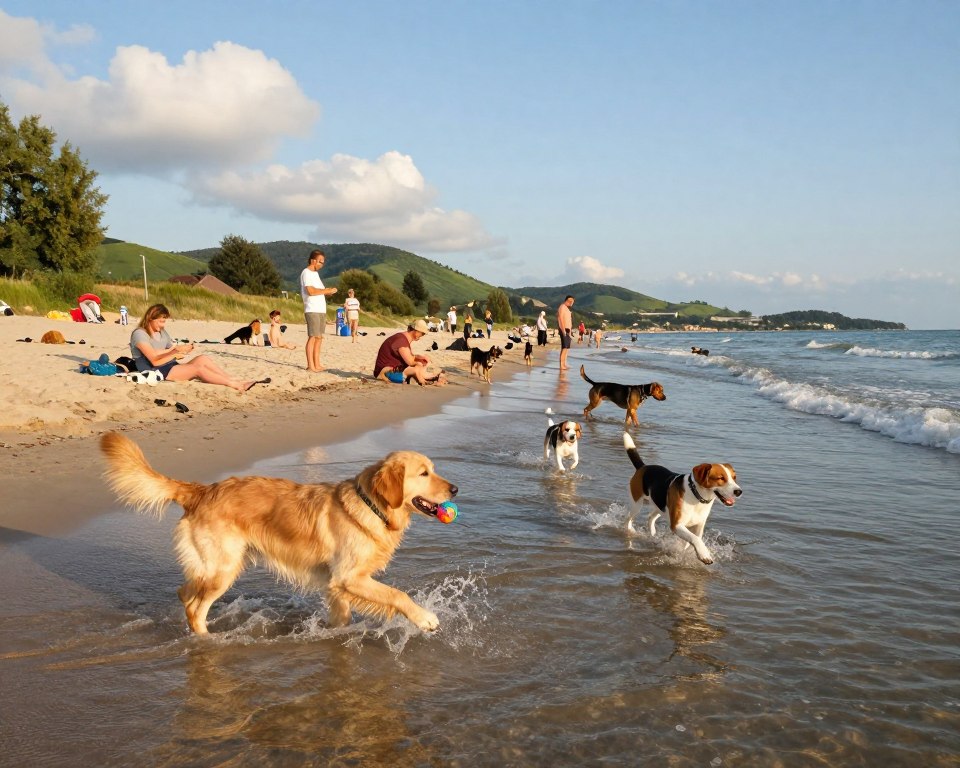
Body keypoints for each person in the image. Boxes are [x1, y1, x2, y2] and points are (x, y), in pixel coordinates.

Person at [130, 304, 259, 392]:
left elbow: (170, 349)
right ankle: (236, 385)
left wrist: (184, 349)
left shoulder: (162, 332)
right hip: (155, 371)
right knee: (198, 369)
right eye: (161, 321)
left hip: (169, 365)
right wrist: (175, 352)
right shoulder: (140, 334)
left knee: (202, 358)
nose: (163, 325)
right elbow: (154, 360)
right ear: (150, 318)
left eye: (165, 321)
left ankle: (231, 378)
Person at [373, 319, 446, 386]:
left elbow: (409, 357)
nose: (422, 336)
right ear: (416, 331)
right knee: (419, 367)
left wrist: (420, 358)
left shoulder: (402, 338)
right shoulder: (401, 341)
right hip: (386, 371)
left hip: (394, 368)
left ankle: (430, 376)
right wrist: (419, 361)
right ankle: (430, 378)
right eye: (422, 333)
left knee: (425, 364)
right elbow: (410, 362)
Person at [300, 249, 337, 372]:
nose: (322, 264)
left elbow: (319, 291)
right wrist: (326, 291)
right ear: (313, 260)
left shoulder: (315, 274)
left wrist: (328, 291)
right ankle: (310, 365)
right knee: (313, 336)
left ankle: (317, 364)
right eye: (320, 261)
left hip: (321, 309)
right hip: (312, 309)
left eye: (323, 262)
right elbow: (310, 291)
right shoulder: (306, 273)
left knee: (319, 337)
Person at [557, 295, 575, 371]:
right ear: (568, 300)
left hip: (568, 330)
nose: (572, 303)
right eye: (571, 302)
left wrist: (570, 332)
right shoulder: (562, 307)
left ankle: (564, 363)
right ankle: (561, 365)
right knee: (564, 348)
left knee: (567, 348)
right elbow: (560, 318)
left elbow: (569, 321)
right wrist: (563, 329)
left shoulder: (567, 309)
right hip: (564, 329)